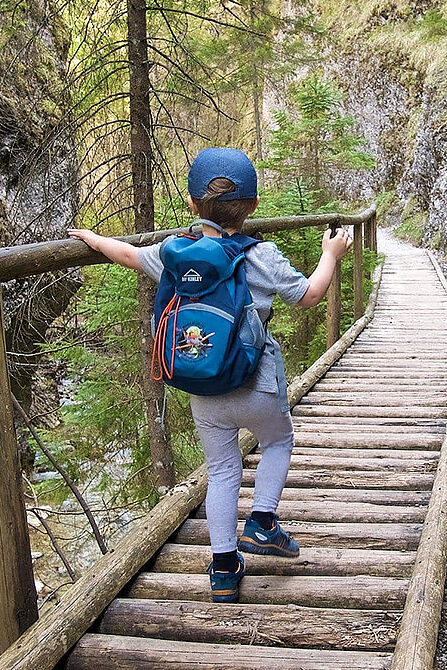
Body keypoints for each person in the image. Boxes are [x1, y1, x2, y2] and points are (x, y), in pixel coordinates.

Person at [68, 147, 352, 603]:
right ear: (253, 205)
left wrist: (95, 239)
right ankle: (262, 521)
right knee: (279, 440)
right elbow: (310, 295)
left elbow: (128, 254)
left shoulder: (175, 253)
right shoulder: (261, 255)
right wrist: (330, 252)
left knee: (222, 471)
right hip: (258, 384)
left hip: (204, 388)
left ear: (192, 203)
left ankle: (223, 569)